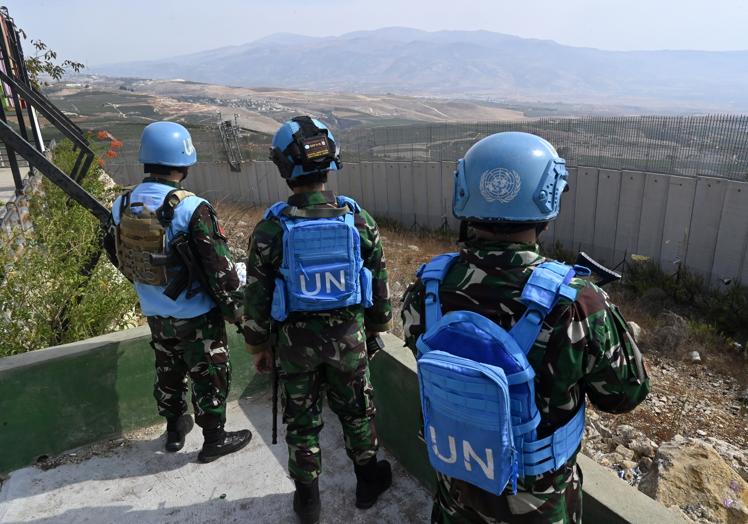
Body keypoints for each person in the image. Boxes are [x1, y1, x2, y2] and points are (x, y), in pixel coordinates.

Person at [401, 132, 650, 523]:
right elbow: (625, 395)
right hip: (538, 503)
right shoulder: (577, 302)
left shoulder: (428, 287)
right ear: (548, 199)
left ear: (465, 193)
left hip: (456, 486)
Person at [244, 116, 392, 524]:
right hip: (348, 339)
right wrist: (377, 327)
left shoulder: (272, 226)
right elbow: (377, 283)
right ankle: (367, 482)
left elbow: (255, 295)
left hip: (294, 344)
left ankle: (307, 500)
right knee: (357, 411)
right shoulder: (357, 219)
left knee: (302, 418)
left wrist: (258, 345)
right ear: (331, 164)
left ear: (283, 169)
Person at [104, 121, 252, 462]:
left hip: (155, 311)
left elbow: (117, 253)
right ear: (183, 163)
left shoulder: (122, 204)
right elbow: (221, 270)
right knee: (209, 373)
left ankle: (174, 430)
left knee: (167, 370)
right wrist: (237, 312)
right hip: (197, 314)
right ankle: (214, 439)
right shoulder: (191, 207)